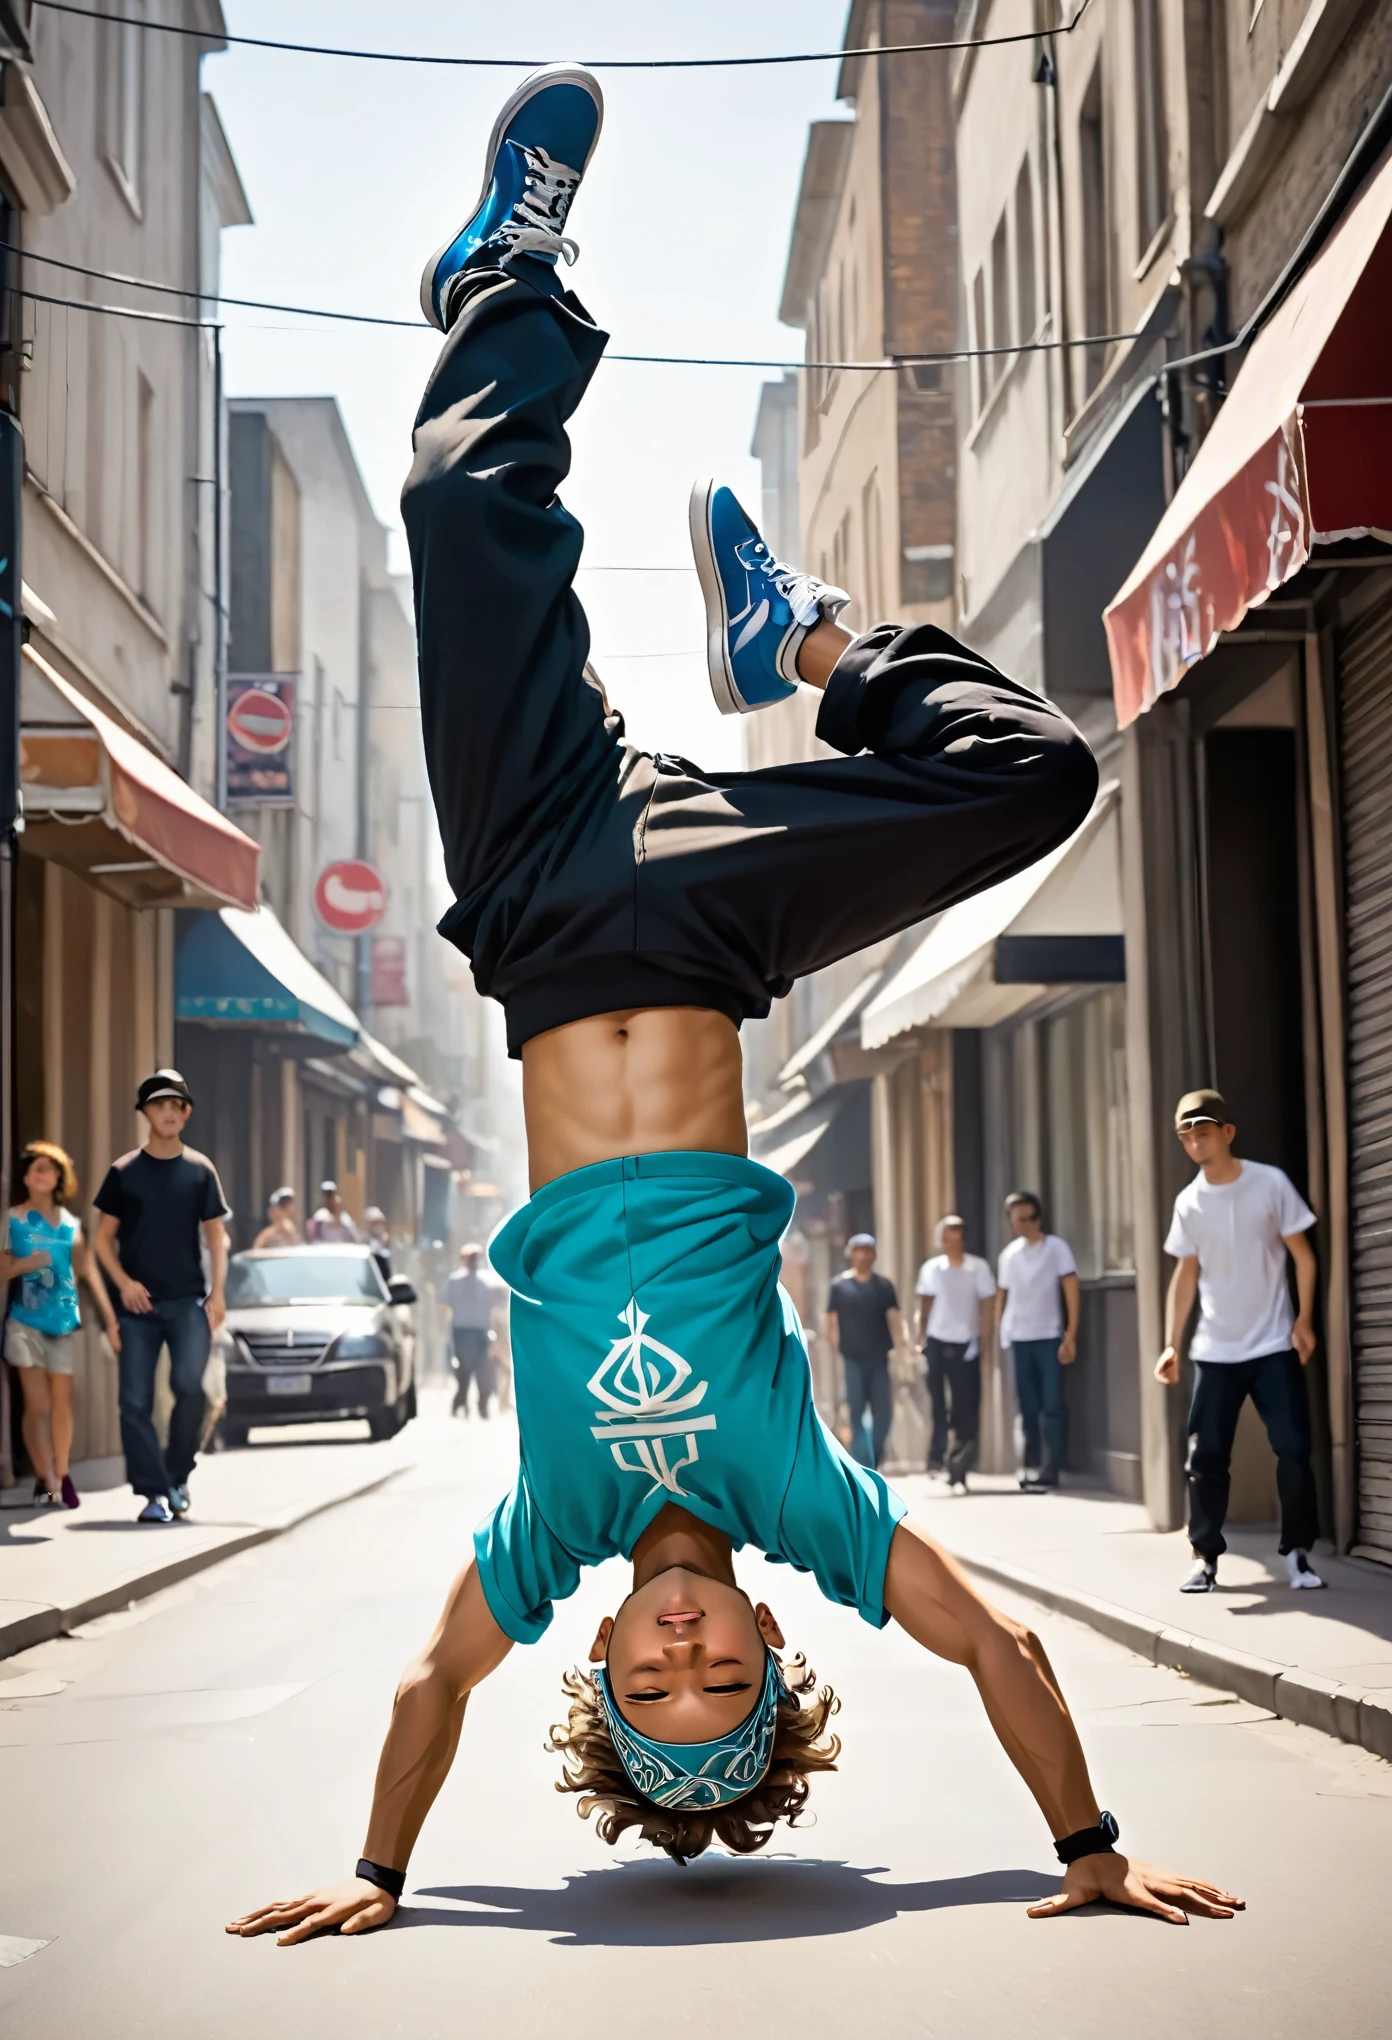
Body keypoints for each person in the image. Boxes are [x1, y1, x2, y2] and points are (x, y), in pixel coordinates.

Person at [227, 65, 1235, 1944]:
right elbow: (995, 1636)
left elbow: (428, 1686)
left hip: (535, 909)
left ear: (596, 1659)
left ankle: (504, 273)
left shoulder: (545, 1543)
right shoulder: (803, 1498)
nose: (682, 1655)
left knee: (462, 511)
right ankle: (815, 645)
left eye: (648, 1686)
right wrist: (1086, 1846)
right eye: (719, 1683)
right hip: (701, 934)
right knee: (1033, 779)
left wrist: (380, 1876)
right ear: (773, 1641)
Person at [1156, 1089, 1324, 1594]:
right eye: (1187, 1134)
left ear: (1227, 1132)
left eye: (1203, 1131)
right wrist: (1170, 1343)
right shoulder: (1189, 1202)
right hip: (1214, 1350)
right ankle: (1204, 1559)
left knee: (1294, 1449)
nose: (1195, 1142)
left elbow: (1305, 1256)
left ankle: (1298, 1555)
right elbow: (1185, 1275)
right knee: (1205, 1461)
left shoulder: (1269, 1184)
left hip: (1273, 1343)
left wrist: (1305, 1321)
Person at [93, 1070, 230, 1524]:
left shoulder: (200, 1170)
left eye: (177, 1106)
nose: (168, 1113)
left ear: (186, 1114)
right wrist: (124, 1284)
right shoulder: (124, 1172)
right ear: (145, 1113)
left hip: (188, 1302)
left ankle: (177, 1475)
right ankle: (152, 1494)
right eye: (159, 1105)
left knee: (191, 1391)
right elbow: (101, 1242)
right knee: (134, 1401)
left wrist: (219, 1293)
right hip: (137, 1309)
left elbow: (216, 1238)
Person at [1, 1141, 119, 1508]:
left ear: (58, 1178)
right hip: (25, 1322)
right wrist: (27, 1263)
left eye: (50, 1168)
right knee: (37, 1405)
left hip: (63, 1324)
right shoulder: (12, 1219)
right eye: (36, 1167)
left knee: (62, 1404)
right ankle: (47, 1477)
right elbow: (3, 1270)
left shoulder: (71, 1224)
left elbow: (88, 1273)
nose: (43, 1173)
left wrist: (111, 1321)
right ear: (26, 1177)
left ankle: (63, 1473)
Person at [995, 1193, 1079, 1492]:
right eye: (1021, 1219)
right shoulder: (1009, 1256)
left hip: (1049, 1336)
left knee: (1053, 1405)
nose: (1029, 1223)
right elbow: (1003, 1297)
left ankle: (1051, 1467)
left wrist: (1070, 1335)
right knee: (1028, 1406)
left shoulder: (1056, 1248)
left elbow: (1071, 1289)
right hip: (1018, 1338)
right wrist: (999, 1331)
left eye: (1033, 1217)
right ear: (1012, 1222)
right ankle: (1032, 1464)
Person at [914, 1214, 995, 1490]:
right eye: (946, 1234)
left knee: (966, 1403)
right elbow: (923, 1305)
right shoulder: (932, 1268)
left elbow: (987, 1306)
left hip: (966, 1342)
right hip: (936, 1340)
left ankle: (960, 1459)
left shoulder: (978, 1268)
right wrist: (919, 1339)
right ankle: (937, 1456)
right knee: (937, 1401)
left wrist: (984, 1341)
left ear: (963, 1236)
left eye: (955, 1233)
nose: (950, 1239)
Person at [825, 1234, 903, 1470]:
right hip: (852, 1360)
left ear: (874, 1254)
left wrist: (902, 1349)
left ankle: (875, 1457)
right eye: (858, 1250)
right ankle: (862, 1463)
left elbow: (895, 1320)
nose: (862, 1255)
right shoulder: (839, 1286)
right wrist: (836, 1348)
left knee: (884, 1416)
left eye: (867, 1250)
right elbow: (831, 1322)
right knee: (855, 1413)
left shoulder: (884, 1286)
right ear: (850, 1254)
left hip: (879, 1359)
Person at [444, 1243, 500, 1417]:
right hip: (462, 1331)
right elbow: (445, 1305)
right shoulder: (454, 1280)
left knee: (484, 1370)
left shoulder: (486, 1281)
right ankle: (460, 1402)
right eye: (471, 1258)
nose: (474, 1261)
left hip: (481, 1332)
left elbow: (492, 1305)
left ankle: (483, 1405)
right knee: (464, 1370)